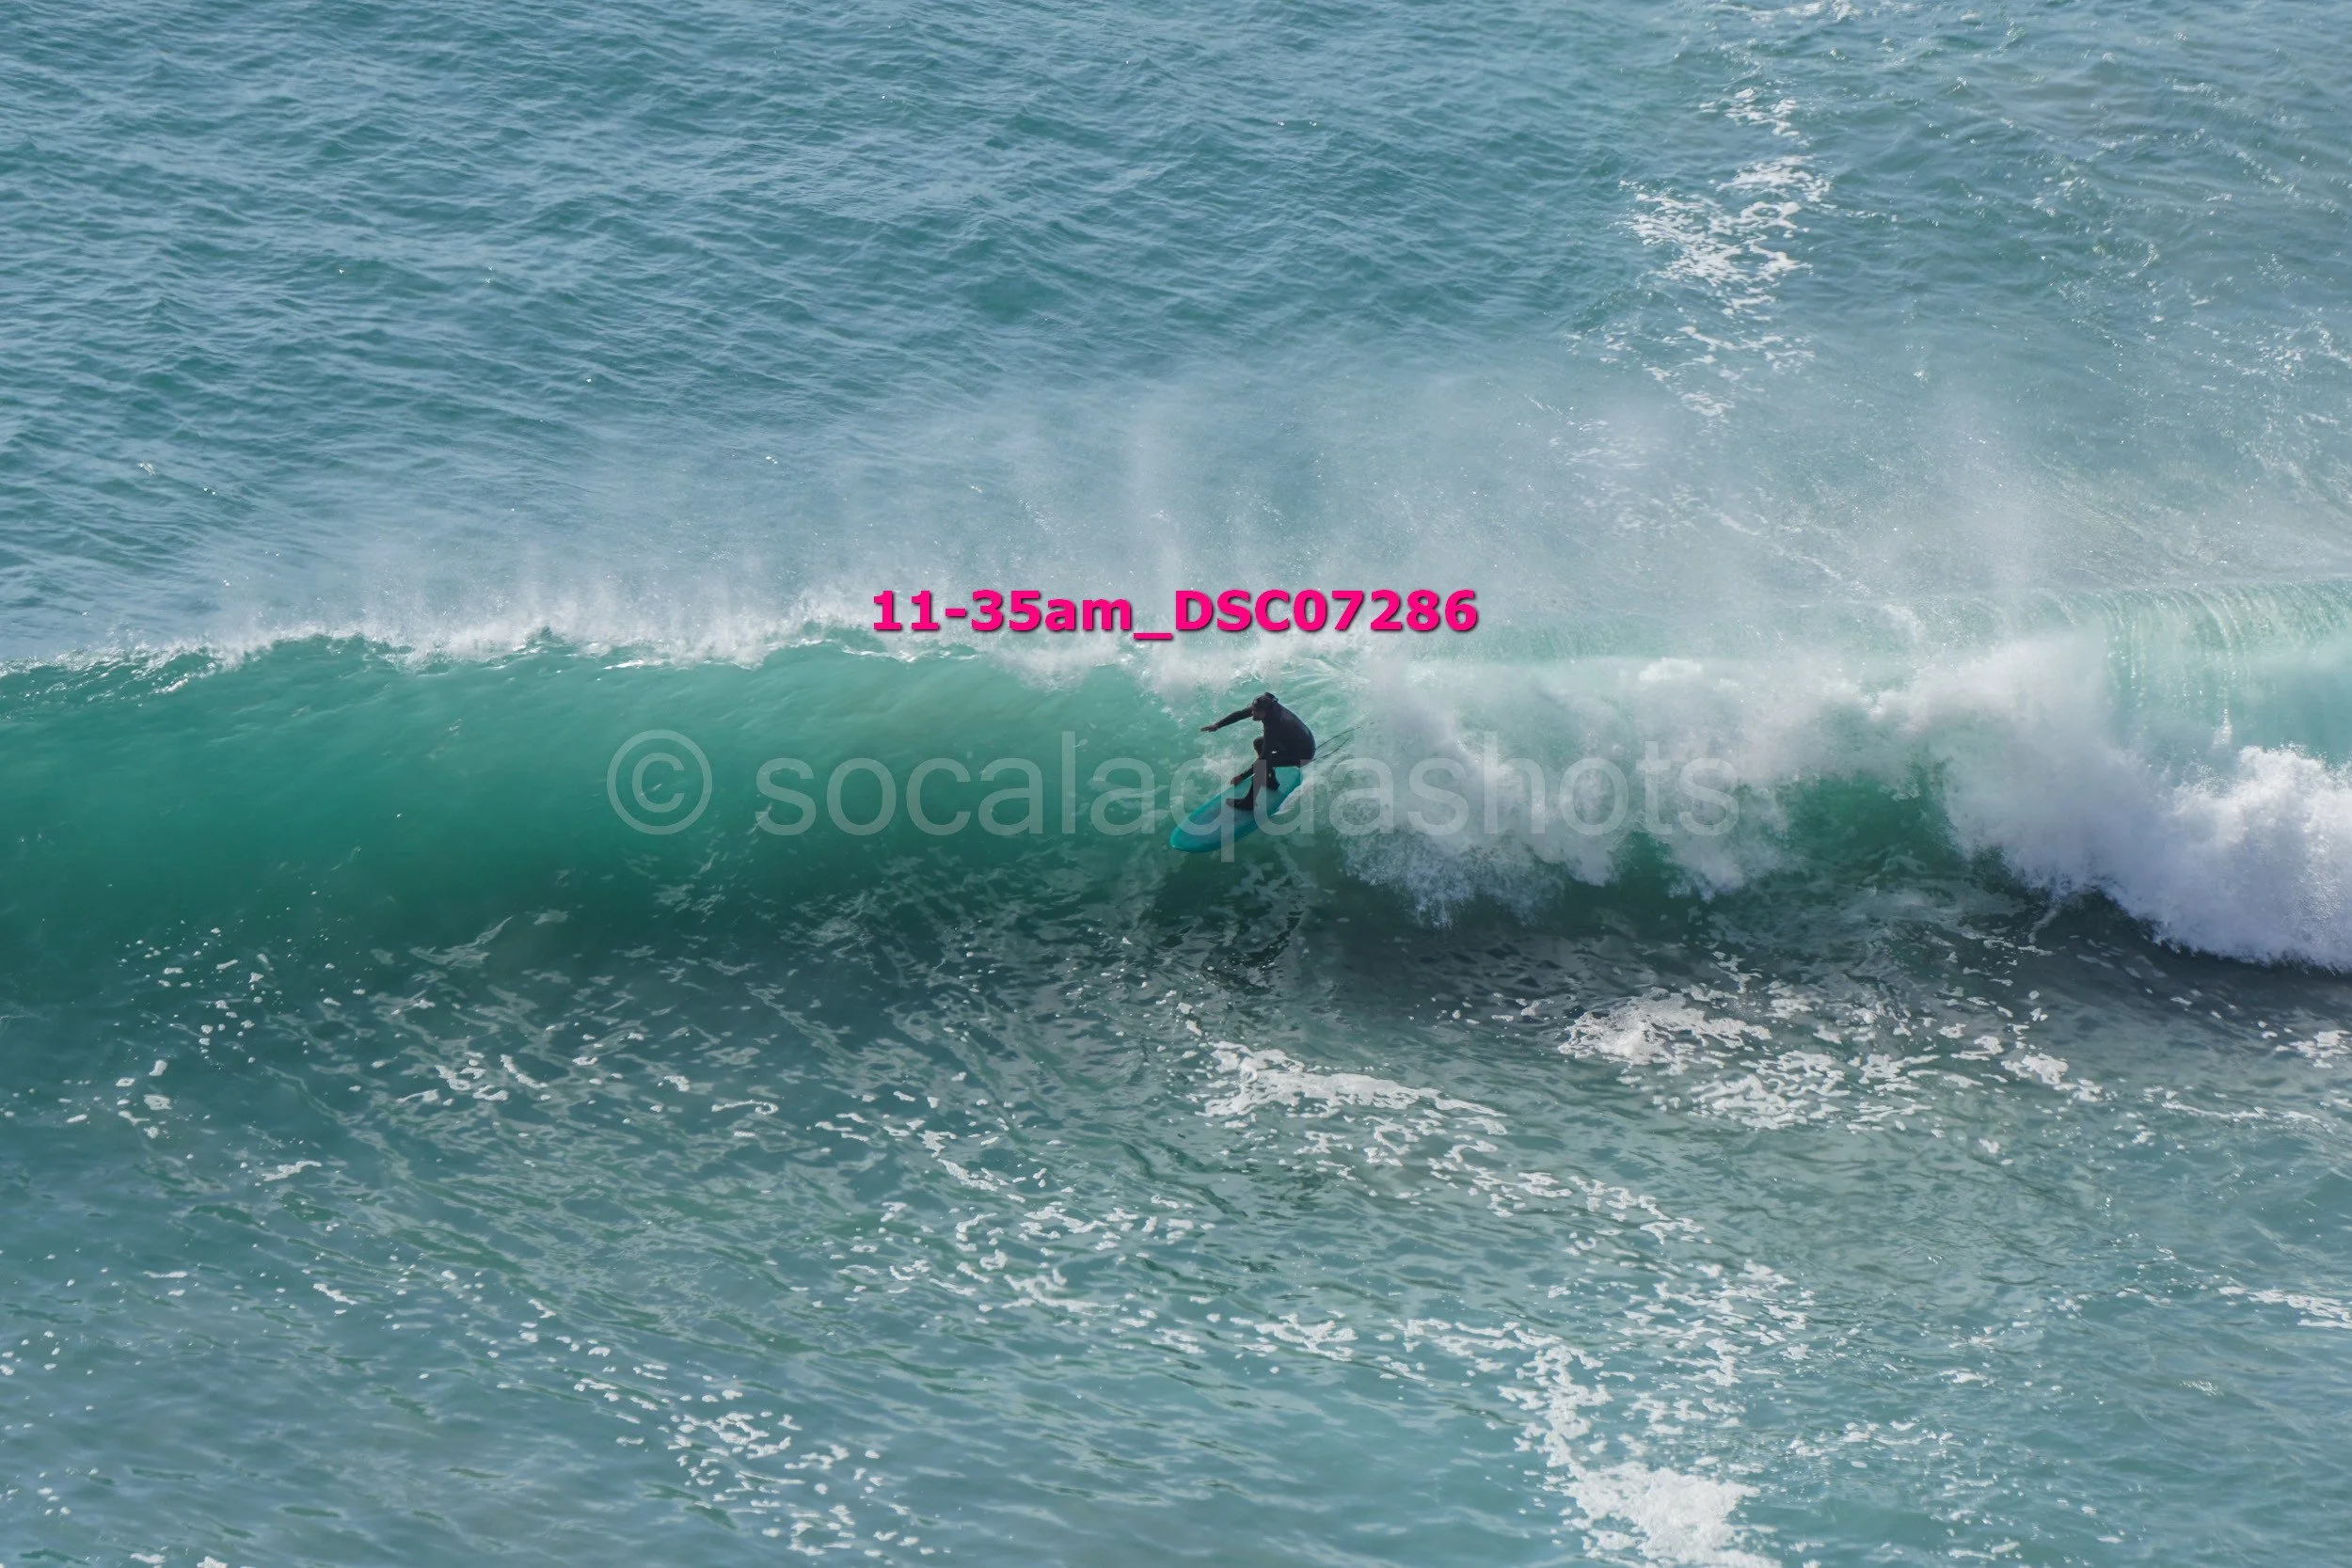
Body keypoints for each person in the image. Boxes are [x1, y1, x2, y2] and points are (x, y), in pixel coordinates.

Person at [1201, 692, 1315, 814]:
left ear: (1264, 712)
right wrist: (1217, 725)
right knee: (1258, 743)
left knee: (1262, 766)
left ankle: (1249, 803)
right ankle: (1271, 781)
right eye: (1253, 709)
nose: (1252, 713)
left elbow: (1264, 758)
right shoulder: (1266, 706)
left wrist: (1243, 776)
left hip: (1302, 753)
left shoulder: (1273, 724)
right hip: (1291, 743)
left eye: (1255, 712)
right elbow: (1240, 714)